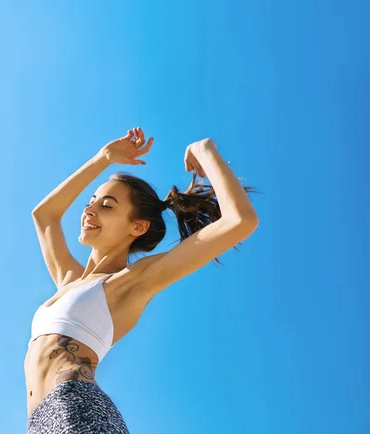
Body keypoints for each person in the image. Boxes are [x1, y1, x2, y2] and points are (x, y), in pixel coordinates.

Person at [26, 127, 259, 433]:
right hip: (39, 421)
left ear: (137, 226)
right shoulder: (69, 279)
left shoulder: (133, 281)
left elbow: (239, 221)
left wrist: (205, 150)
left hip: (77, 408)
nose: (89, 210)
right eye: (91, 202)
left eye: (106, 206)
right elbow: (44, 216)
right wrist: (103, 159)